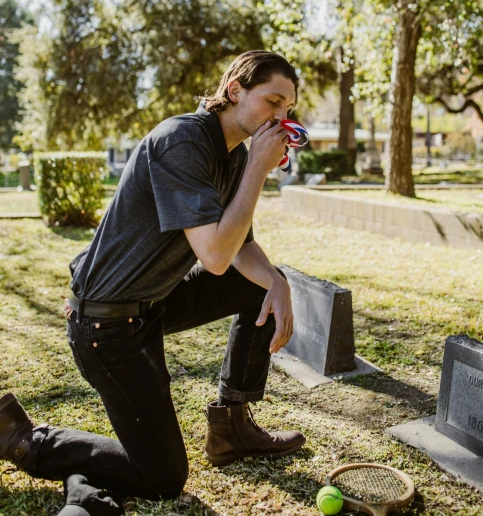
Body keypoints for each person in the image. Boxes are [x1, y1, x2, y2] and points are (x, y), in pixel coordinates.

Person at [0, 50, 306, 516]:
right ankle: (24, 438)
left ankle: (231, 426)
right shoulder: (183, 141)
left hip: (151, 303)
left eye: (289, 110)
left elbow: (241, 245)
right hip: (106, 328)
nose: (280, 120)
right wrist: (258, 172)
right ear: (234, 90)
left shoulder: (232, 156)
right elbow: (217, 255)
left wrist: (277, 283)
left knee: (261, 284)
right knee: (162, 477)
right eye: (273, 102)